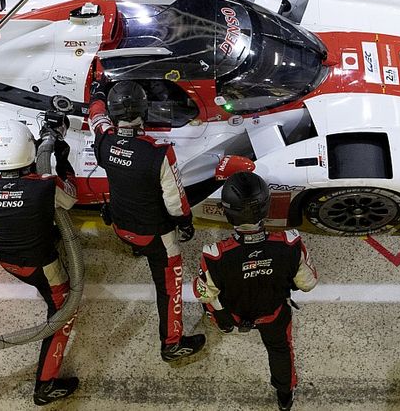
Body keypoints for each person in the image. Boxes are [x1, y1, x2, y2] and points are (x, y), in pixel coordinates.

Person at [88, 78, 206, 362]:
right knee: (169, 287)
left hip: (120, 226)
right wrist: (186, 222)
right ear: (144, 110)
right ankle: (172, 344)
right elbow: (175, 201)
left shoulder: (104, 140)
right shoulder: (159, 152)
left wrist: (100, 91)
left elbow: (96, 116)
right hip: (155, 235)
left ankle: (136, 248)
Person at [0, 119, 80, 406]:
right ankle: (45, 385)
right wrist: (62, 158)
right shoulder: (44, 187)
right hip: (40, 264)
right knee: (64, 310)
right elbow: (70, 197)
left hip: (7, 260)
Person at [193, 172, 318, 411]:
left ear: (228, 212)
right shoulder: (290, 244)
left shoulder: (214, 254)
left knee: (208, 296)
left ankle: (223, 324)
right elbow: (308, 284)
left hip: (234, 315)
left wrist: (222, 317)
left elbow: (203, 293)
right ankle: (284, 395)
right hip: (273, 315)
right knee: (280, 350)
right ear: (266, 207)